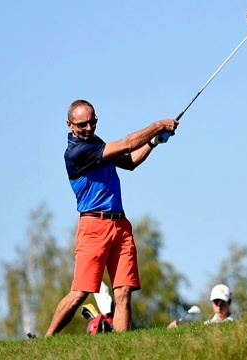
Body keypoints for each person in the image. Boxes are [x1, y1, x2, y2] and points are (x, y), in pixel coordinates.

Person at [45, 99, 179, 335]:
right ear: (69, 125)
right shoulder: (77, 151)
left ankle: (121, 347)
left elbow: (130, 161)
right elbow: (127, 144)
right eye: (82, 124)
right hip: (93, 226)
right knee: (79, 294)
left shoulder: (96, 143)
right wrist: (159, 125)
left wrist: (153, 142)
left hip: (121, 225)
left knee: (123, 292)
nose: (89, 128)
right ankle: (44, 342)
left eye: (92, 122)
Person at [167, 284, 234, 328]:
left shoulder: (237, 323)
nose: (219, 307)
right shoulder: (207, 325)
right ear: (212, 303)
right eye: (216, 303)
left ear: (229, 302)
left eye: (223, 303)